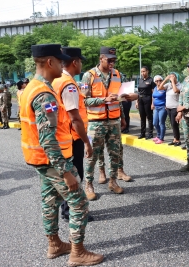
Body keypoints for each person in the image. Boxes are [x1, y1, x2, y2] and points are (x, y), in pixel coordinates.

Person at [19, 44, 103, 266]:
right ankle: (78, 253)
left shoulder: (31, 87)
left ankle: (54, 244)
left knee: (50, 200)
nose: (63, 64)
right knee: (79, 203)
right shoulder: (44, 94)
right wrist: (66, 172)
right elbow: (48, 139)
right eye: (60, 61)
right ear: (49, 62)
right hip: (54, 160)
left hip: (39, 160)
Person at [52, 47, 94, 222]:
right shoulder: (68, 84)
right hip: (72, 137)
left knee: (66, 175)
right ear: (75, 62)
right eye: (81, 61)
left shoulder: (56, 80)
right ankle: (71, 211)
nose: (81, 65)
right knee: (75, 176)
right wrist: (86, 142)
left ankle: (66, 208)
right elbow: (75, 118)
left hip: (61, 136)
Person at [81, 46, 127, 200]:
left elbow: (120, 97)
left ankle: (113, 181)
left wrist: (123, 116)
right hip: (96, 122)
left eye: (114, 59)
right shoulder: (89, 75)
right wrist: (103, 100)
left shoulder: (117, 74)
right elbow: (84, 100)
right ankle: (88, 184)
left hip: (114, 121)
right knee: (92, 155)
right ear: (101, 58)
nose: (112, 62)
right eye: (109, 60)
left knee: (115, 154)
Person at [159, 72, 181, 146]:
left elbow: (175, 91)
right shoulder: (168, 85)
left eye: (173, 76)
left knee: (174, 124)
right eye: (170, 76)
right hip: (168, 107)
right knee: (172, 124)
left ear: (176, 77)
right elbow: (159, 88)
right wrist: (165, 79)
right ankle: (175, 139)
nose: (171, 78)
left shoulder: (179, 85)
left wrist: (173, 82)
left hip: (175, 107)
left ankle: (177, 139)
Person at [136, 66, 156, 139]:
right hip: (140, 99)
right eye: (141, 72)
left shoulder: (151, 80)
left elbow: (154, 93)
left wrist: (152, 103)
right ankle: (142, 133)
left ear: (147, 71)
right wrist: (137, 102)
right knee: (142, 117)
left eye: (144, 71)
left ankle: (150, 133)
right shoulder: (140, 80)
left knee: (149, 117)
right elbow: (138, 92)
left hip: (148, 99)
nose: (142, 73)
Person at [151, 75, 167, 144]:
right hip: (156, 108)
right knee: (155, 123)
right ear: (155, 82)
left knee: (161, 123)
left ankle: (161, 138)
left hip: (162, 107)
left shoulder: (164, 88)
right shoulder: (154, 88)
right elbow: (153, 97)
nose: (159, 82)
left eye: (160, 80)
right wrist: (152, 104)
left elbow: (168, 96)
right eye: (157, 81)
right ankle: (158, 135)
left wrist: (167, 105)